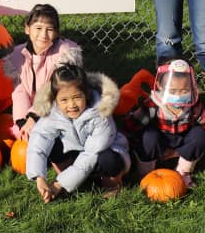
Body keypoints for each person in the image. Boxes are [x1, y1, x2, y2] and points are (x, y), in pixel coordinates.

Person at [24, 62, 130, 201]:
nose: (71, 105)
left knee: (108, 158)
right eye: (64, 100)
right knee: (51, 145)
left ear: (86, 94)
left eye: (76, 97)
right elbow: (39, 140)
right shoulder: (53, 113)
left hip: (98, 154)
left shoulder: (100, 115)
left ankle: (112, 185)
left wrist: (58, 184)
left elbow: (91, 154)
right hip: (76, 153)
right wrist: (39, 177)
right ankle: (75, 179)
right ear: (55, 100)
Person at [123, 59, 205, 189]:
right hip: (159, 141)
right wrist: (126, 133)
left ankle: (182, 172)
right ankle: (146, 174)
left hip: (182, 140)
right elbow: (134, 123)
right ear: (160, 86)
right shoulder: (154, 103)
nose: (178, 96)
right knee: (148, 137)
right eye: (173, 91)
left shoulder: (193, 103)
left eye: (184, 90)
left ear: (192, 86)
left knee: (199, 135)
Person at [4, 3, 83, 139]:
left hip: (58, 107)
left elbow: (56, 89)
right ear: (27, 29)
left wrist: (34, 116)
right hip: (30, 113)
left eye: (50, 29)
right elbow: (20, 90)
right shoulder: (17, 56)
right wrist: (23, 120)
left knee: (49, 131)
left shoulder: (64, 54)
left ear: (56, 32)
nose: (43, 35)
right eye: (38, 28)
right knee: (19, 132)